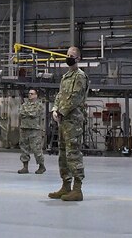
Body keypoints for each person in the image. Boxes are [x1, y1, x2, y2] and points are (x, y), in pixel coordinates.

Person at [48, 46, 89, 202]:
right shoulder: (65, 76)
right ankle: (66, 185)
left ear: (78, 58)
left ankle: (77, 189)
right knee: (63, 153)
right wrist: (55, 109)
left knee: (73, 153)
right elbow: (60, 95)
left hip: (73, 121)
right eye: (67, 55)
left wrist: (61, 112)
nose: (68, 57)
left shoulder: (80, 76)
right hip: (63, 120)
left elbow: (75, 97)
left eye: (72, 55)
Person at [17, 88, 46, 174]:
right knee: (24, 149)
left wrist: (27, 113)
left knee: (36, 149)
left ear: (36, 95)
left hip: (34, 130)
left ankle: (41, 166)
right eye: (29, 93)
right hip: (24, 129)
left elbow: (34, 113)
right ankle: (25, 167)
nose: (30, 95)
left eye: (32, 93)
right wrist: (28, 113)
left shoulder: (39, 105)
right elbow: (20, 113)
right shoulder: (24, 105)